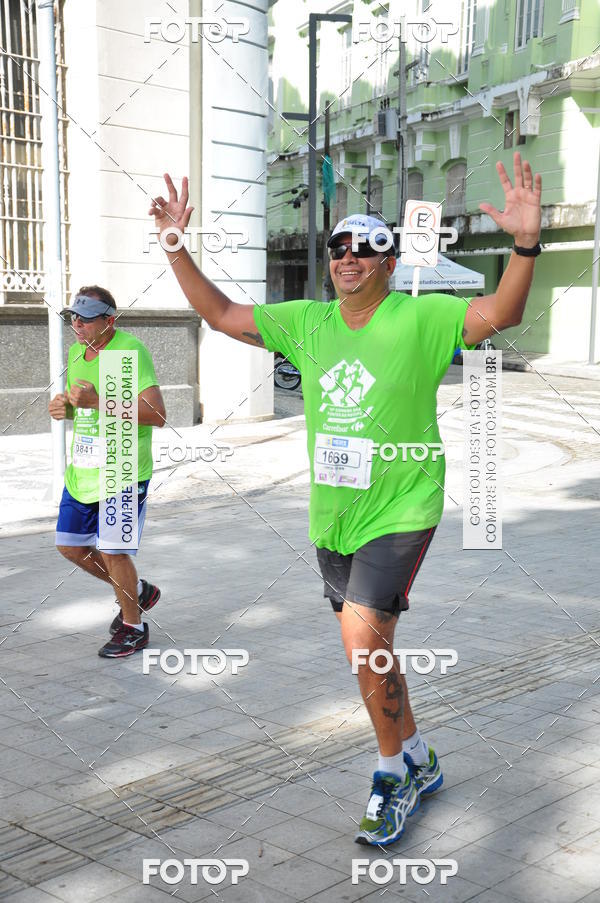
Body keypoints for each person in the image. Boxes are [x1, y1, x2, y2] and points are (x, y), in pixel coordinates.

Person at [149, 152, 541, 844]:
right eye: (339, 247)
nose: (349, 256)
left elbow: (502, 313)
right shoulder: (307, 322)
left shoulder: (423, 317)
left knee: (363, 639)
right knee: (371, 650)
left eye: (367, 246)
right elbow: (219, 313)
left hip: (403, 505)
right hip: (334, 515)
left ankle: (391, 774)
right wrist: (176, 246)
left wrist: (526, 243)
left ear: (390, 262)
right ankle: (418, 756)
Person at [48, 286, 166, 658]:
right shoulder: (76, 352)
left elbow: (157, 414)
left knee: (113, 551)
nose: (77, 325)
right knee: (70, 545)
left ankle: (133, 627)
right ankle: (139, 591)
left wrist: (97, 400)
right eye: (73, 317)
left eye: (85, 319)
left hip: (122, 469)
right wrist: (66, 408)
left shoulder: (129, 351)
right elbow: (85, 406)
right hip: (83, 470)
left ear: (109, 321)